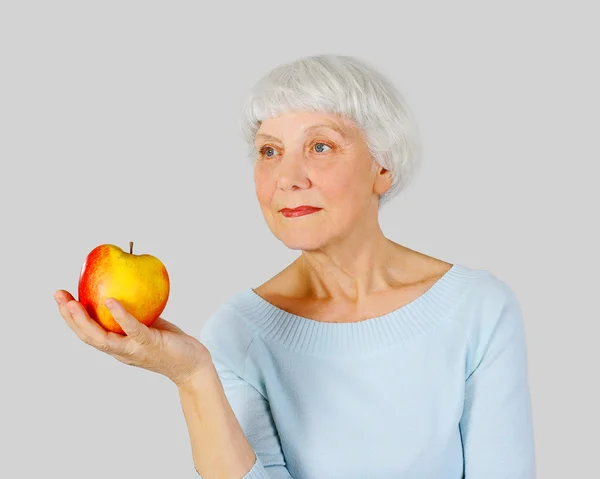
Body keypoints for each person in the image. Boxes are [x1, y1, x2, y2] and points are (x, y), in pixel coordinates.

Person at [55, 54, 536, 478]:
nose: (286, 178)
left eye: (320, 146)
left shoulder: (478, 310)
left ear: (382, 167)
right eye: (269, 151)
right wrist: (193, 376)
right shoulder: (237, 332)